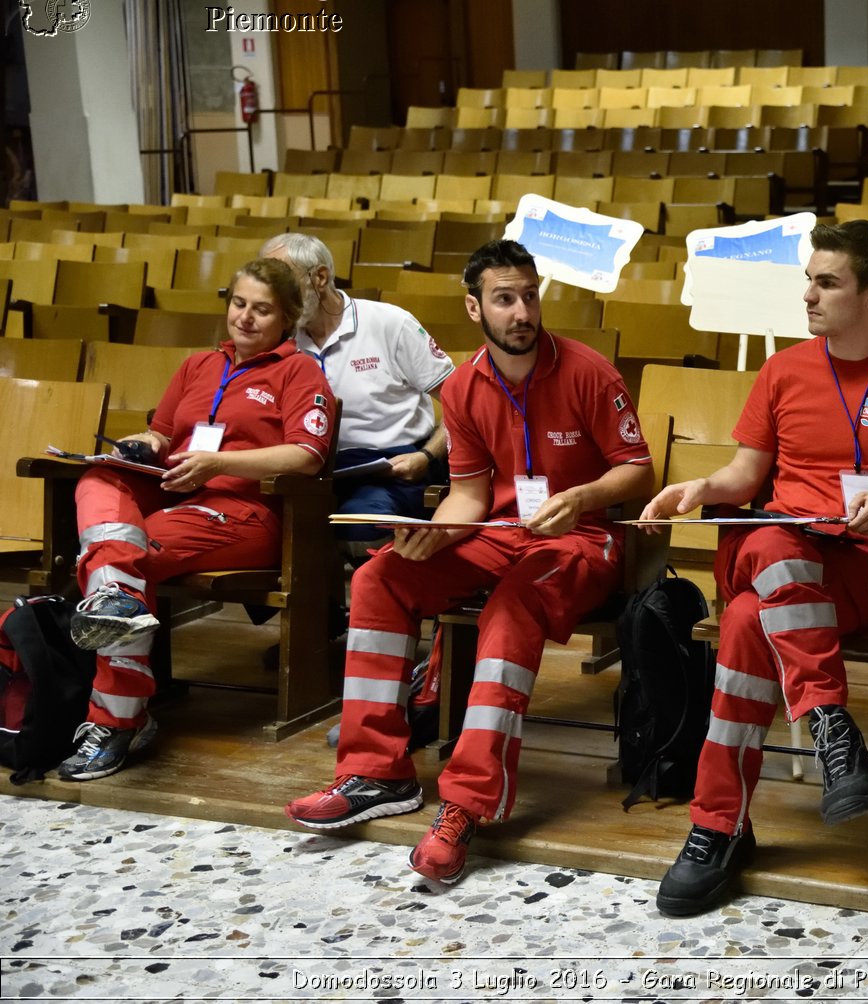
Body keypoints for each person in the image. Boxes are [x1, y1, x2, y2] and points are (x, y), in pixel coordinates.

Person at [285, 239, 654, 886]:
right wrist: (433, 533)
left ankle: (466, 803)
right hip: (500, 529)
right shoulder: (462, 387)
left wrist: (584, 498)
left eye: (530, 296)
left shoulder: (590, 371)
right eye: (505, 299)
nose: (522, 312)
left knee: (510, 610)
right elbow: (471, 496)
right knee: (380, 578)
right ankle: (376, 771)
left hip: (580, 539)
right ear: (474, 307)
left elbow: (637, 471)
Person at [638, 220, 868, 916]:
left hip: (863, 561)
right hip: (785, 549)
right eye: (808, 281)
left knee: (746, 619)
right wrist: (702, 488)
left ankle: (716, 827)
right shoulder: (784, 370)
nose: (809, 296)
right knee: (766, 541)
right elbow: (745, 473)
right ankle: (829, 726)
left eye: (828, 283)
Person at [56, 258, 335, 780]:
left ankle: (118, 720)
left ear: (287, 318)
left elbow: (306, 455)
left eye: (262, 310)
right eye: (239, 304)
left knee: (120, 564)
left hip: (247, 513)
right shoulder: (197, 365)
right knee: (98, 480)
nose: (246, 318)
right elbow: (164, 433)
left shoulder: (299, 371)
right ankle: (115, 609)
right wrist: (147, 443)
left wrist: (220, 463)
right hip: (177, 497)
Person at [260, 233, 453, 566]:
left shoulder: (389, 323)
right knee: (260, 523)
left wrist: (426, 457)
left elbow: (461, 405)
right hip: (314, 471)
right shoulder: (280, 341)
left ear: (319, 277)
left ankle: (379, 605)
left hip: (394, 468)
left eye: (283, 281)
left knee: (361, 522)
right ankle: (320, 617)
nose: (275, 296)